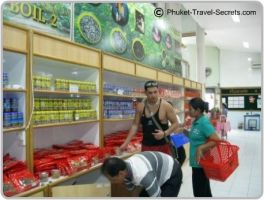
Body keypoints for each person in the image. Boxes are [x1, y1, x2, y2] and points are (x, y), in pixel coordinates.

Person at [120, 80, 179, 155]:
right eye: (150, 93)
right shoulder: (140, 107)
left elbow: (176, 123)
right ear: (145, 93)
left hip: (163, 146)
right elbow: (135, 125)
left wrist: (164, 133)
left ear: (158, 91)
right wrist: (125, 143)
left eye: (155, 92)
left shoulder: (166, 106)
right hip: (146, 146)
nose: (153, 95)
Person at [179, 97, 220, 197]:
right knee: (204, 191)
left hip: (201, 163)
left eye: (191, 109)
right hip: (196, 163)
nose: (189, 111)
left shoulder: (203, 122)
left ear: (197, 110)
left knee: (199, 192)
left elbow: (216, 140)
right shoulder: (196, 122)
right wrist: (184, 131)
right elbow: (194, 138)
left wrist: (201, 148)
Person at [101, 151, 182, 197]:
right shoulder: (123, 168)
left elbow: (157, 197)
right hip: (156, 172)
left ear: (120, 174)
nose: (112, 182)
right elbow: (133, 190)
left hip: (172, 172)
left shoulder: (143, 175)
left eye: (112, 179)